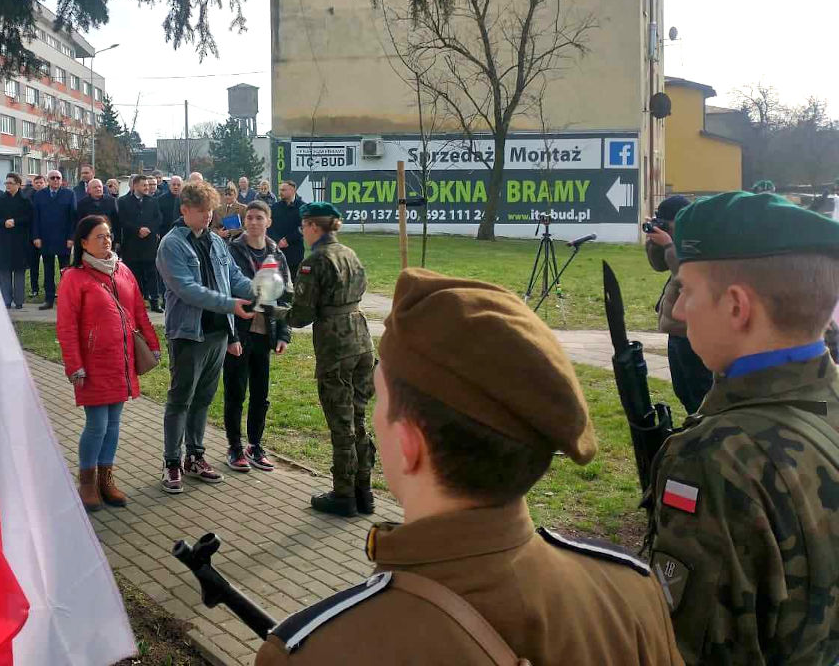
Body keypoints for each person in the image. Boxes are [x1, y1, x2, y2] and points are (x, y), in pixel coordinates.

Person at [257, 269, 683, 665]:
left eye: (380, 403)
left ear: (409, 445)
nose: (373, 417)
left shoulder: (317, 651)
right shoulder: (630, 591)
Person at [649, 190, 839, 665]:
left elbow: (690, 651)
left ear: (736, 306)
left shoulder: (717, 457)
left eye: (687, 291)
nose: (677, 311)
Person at [156, 181, 255, 493]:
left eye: (211, 211)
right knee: (180, 399)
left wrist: (262, 289)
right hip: (188, 334)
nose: (208, 217)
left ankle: (195, 457)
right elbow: (187, 289)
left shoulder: (215, 240)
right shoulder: (171, 244)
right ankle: (172, 461)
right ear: (185, 210)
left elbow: (233, 277)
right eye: (201, 212)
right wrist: (230, 304)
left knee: (203, 399)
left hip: (217, 333)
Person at [56, 215, 160, 513]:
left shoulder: (122, 270)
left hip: (121, 359)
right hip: (93, 362)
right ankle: (87, 482)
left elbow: (138, 310)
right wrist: (74, 364)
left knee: (113, 424)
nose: (106, 240)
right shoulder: (73, 278)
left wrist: (152, 344)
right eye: (99, 236)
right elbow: (66, 326)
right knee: (97, 425)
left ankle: (106, 479)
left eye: (108, 235)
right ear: (83, 242)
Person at [285, 202, 374, 516]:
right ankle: (365, 491)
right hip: (362, 339)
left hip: (336, 345)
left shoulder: (314, 262)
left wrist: (275, 311)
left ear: (312, 226)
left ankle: (343, 494)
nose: (302, 232)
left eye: (303, 227)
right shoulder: (349, 253)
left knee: (341, 421)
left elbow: (300, 316)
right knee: (359, 418)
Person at [223, 201, 292, 473]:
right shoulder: (231, 251)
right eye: (249, 218)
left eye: (259, 218)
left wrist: (283, 333)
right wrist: (230, 336)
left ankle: (255, 445)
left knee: (260, 395)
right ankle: (234, 447)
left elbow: (286, 294)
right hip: (240, 332)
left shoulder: (277, 253)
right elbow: (224, 294)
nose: (253, 222)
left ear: (268, 222)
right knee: (235, 392)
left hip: (266, 333)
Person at [645, 194, 711, 414]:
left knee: (699, 391)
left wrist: (669, 245)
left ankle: (702, 429)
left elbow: (686, 275)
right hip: (676, 330)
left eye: (667, 222)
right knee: (682, 389)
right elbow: (659, 266)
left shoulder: (699, 239)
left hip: (692, 329)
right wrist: (655, 243)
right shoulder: (678, 238)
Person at [31, 169, 78, 309]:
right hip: (46, 239)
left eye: (58, 178)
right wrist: (36, 236)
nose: (55, 180)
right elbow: (36, 217)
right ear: (48, 180)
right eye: (52, 178)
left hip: (64, 240)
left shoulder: (69, 194)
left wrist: (71, 237)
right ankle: (49, 299)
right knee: (48, 270)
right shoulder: (40, 195)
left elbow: (73, 218)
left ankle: (65, 299)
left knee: (65, 271)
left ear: (61, 180)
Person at [118, 174, 164, 312]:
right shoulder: (123, 201)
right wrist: (137, 230)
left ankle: (155, 302)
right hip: (132, 243)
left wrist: (149, 229)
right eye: (144, 185)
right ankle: (135, 302)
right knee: (134, 274)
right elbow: (122, 220)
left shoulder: (153, 201)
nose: (147, 188)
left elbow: (158, 218)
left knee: (152, 273)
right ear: (135, 186)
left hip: (149, 244)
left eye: (149, 185)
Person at [0, 172, 33, 309]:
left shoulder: (25, 201)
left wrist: (16, 221)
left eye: (10, 183)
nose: (7, 185)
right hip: (4, 241)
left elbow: (29, 218)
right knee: (4, 271)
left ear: (18, 185)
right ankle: (6, 300)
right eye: (6, 183)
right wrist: (4, 222)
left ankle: (19, 301)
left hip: (20, 241)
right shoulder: (0, 200)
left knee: (19, 271)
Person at [270, 180, 305, 276]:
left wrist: (288, 240)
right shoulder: (274, 207)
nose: (280, 192)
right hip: (277, 250)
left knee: (295, 282)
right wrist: (278, 240)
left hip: (295, 251)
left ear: (293, 190)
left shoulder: (303, 207)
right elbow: (269, 227)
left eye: (283, 190)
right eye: (280, 190)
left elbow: (303, 227)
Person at [22, 174, 46, 296]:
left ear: (45, 183)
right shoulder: (28, 197)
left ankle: (48, 287)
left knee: (48, 264)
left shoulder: (48, 196)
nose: (39, 185)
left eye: (41, 182)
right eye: (37, 183)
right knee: (33, 264)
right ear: (33, 184)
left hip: (47, 236)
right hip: (32, 236)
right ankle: (34, 288)